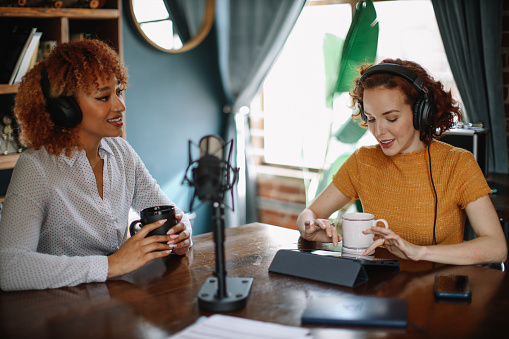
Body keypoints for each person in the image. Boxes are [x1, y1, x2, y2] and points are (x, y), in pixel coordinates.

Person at [0, 39, 192, 291]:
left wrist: (181, 233)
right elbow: (9, 268)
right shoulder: (36, 166)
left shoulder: (122, 152)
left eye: (119, 91)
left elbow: (172, 212)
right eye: (103, 97)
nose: (120, 106)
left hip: (115, 300)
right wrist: (111, 265)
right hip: (59, 309)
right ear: (65, 108)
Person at [297, 58, 507, 265]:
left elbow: (496, 248)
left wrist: (419, 252)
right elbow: (310, 213)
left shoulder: (458, 163)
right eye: (370, 118)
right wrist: (309, 227)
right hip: (377, 289)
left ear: (420, 113)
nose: (378, 131)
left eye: (391, 118)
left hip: (436, 289)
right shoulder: (363, 161)